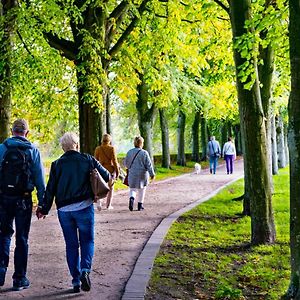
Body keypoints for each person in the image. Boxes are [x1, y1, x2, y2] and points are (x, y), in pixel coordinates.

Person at [36, 132, 110, 293]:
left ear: (63, 147)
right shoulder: (88, 159)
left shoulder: (56, 164)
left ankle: (76, 281)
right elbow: (107, 175)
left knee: (71, 245)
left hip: (64, 210)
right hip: (84, 206)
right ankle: (85, 270)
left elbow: (50, 190)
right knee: (87, 241)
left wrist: (44, 209)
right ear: (76, 144)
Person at [0, 119, 45, 291]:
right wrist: (43, 204)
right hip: (23, 200)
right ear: (27, 133)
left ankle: (1, 270)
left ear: (12, 131)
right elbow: (40, 180)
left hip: (3, 198)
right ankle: (19, 279)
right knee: (22, 238)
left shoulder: (2, 148)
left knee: (3, 234)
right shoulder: (33, 150)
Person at [124, 136, 155, 211]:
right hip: (142, 174)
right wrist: (152, 174)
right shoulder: (144, 153)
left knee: (132, 189)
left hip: (132, 174)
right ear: (141, 143)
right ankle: (139, 205)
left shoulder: (129, 152)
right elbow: (148, 165)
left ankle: (132, 199)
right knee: (142, 189)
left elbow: (126, 164)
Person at [94, 134, 119, 210]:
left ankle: (99, 203)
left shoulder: (98, 149)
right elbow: (114, 161)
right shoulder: (112, 148)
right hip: (110, 170)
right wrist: (117, 172)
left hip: (101, 170)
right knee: (111, 188)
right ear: (109, 140)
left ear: (102, 140)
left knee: (100, 187)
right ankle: (108, 205)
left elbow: (95, 160)